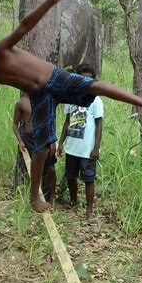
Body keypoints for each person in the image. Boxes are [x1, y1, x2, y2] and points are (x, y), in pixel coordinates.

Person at [0, 0, 142, 212]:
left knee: (97, 87)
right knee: (42, 148)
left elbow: (26, 25)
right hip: (40, 96)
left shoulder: (2, 49)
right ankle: (35, 196)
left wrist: (52, 1)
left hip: (55, 78)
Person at [57, 64, 102, 220]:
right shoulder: (70, 98)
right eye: (83, 77)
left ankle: (89, 211)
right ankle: (73, 201)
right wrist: (61, 142)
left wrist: (96, 148)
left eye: (89, 78)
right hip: (71, 147)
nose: (86, 81)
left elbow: (99, 125)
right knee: (70, 176)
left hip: (87, 149)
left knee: (88, 179)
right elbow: (67, 121)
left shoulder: (96, 100)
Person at [12, 92, 56, 204]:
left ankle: (51, 198)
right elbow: (15, 124)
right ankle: (33, 196)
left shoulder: (45, 100)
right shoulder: (21, 103)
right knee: (32, 168)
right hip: (29, 139)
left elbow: (51, 120)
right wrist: (21, 141)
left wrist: (53, 141)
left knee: (50, 169)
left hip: (45, 137)